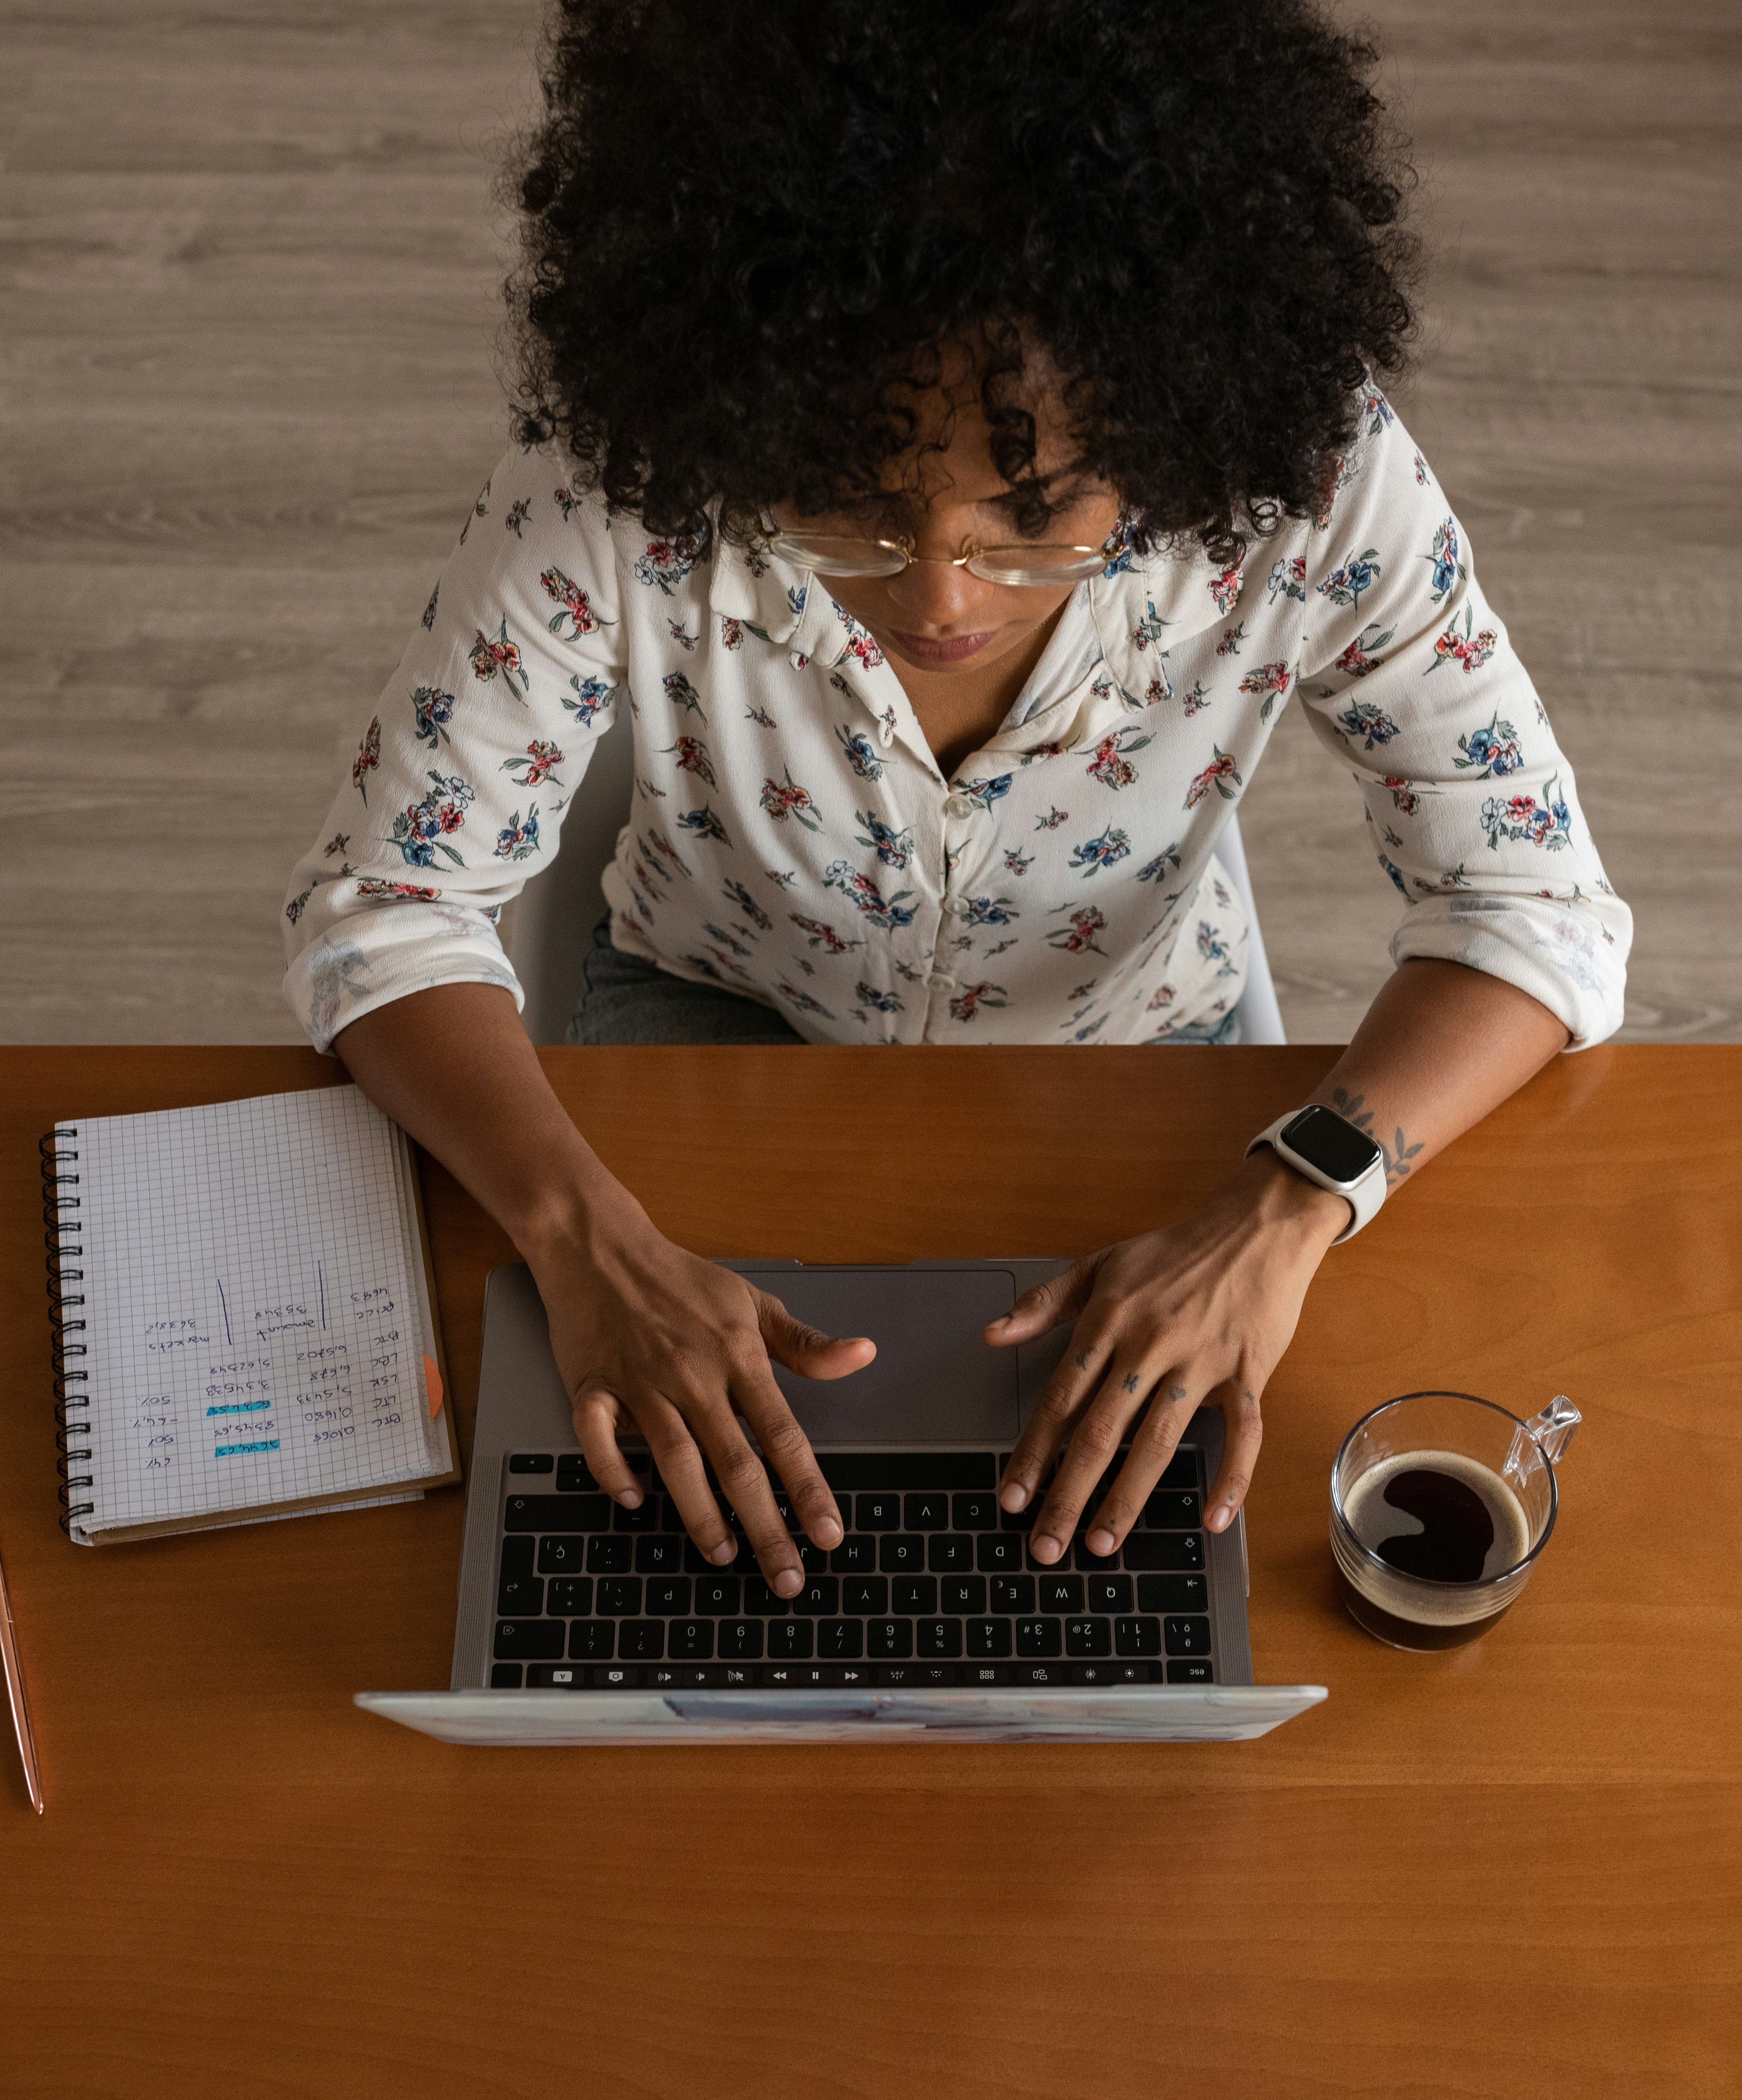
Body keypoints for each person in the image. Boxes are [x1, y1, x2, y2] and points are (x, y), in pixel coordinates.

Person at [282, 0, 1632, 1598]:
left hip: (1138, 1034)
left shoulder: (1318, 482)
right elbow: (383, 906)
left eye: (1038, 514)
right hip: (712, 1004)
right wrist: (582, 1245)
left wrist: (1284, 1209)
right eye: (844, 511)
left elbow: (1530, 902)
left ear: (1182, 419)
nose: (938, 594)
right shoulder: (616, 479)